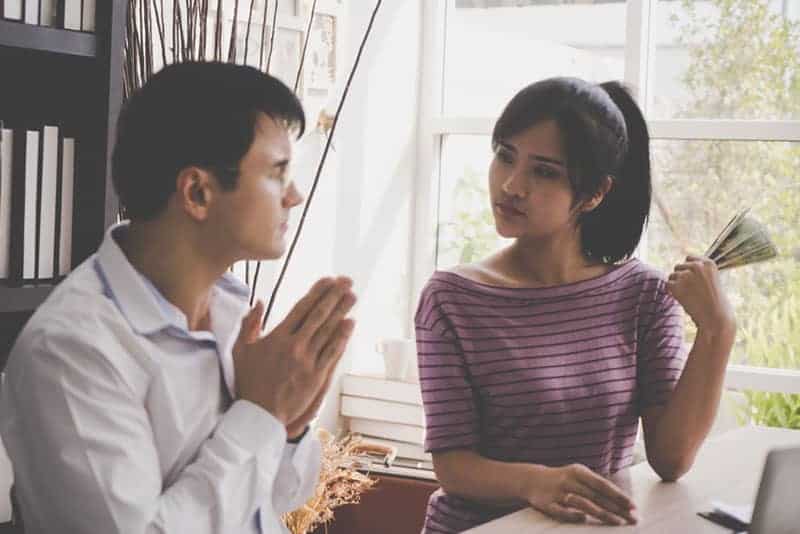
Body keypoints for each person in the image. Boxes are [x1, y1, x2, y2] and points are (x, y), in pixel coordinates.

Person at [0, 61, 357, 533]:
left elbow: (278, 496)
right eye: (277, 173)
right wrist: (263, 412)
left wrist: (288, 425)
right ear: (197, 193)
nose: (295, 195)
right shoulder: (72, 350)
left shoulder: (232, 308)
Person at [414, 77, 736, 533]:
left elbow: (672, 458)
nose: (511, 185)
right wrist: (536, 482)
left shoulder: (642, 296)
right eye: (505, 155)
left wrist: (717, 330)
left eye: (544, 171)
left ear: (595, 193)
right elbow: (453, 465)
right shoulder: (451, 299)